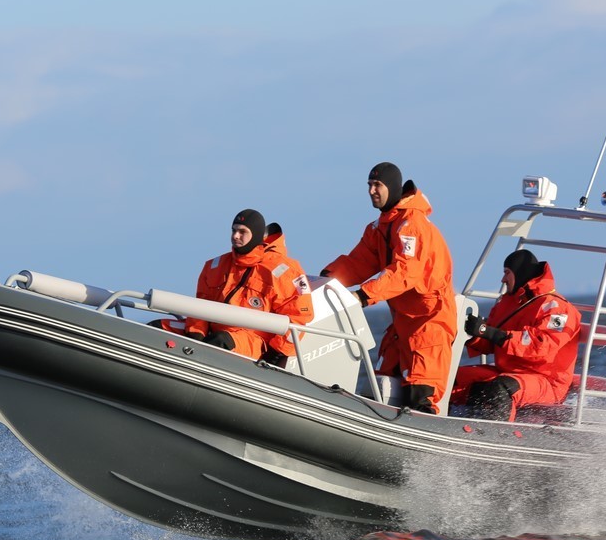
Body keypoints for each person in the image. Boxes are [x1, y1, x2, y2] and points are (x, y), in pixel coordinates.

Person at [320, 162, 457, 413]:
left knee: (420, 396)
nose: (372, 191)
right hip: (402, 324)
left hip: (429, 323)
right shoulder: (380, 228)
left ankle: (423, 435)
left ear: (392, 187)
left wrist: (363, 295)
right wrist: (325, 280)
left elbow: (406, 272)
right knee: (378, 387)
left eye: (377, 185)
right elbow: (358, 262)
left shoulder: (412, 225)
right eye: (369, 185)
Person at [450, 249, 582, 421]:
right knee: (451, 377)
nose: (503, 279)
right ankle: (433, 417)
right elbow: (491, 341)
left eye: (507, 273)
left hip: (546, 381)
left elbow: (540, 345)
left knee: (501, 388)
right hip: (508, 371)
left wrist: (490, 332)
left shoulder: (558, 308)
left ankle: (497, 433)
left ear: (521, 273)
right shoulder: (508, 303)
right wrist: (473, 333)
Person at [177, 209, 312, 361]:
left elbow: (298, 318)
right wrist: (195, 333)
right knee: (159, 328)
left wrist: (275, 355)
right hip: (210, 333)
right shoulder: (215, 266)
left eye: (242, 232)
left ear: (256, 235)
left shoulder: (286, 271)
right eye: (233, 230)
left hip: (253, 341)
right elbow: (201, 304)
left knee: (220, 341)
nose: (235, 236)